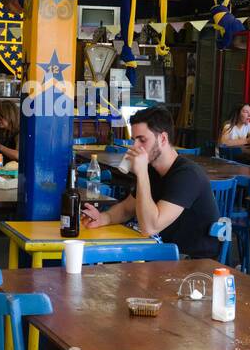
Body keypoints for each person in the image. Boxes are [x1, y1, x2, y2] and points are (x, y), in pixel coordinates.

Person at [80, 105, 219, 258]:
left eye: (142, 140)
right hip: (163, 256)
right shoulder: (153, 170)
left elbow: (150, 227)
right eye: (134, 140)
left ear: (163, 139)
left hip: (193, 266)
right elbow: (127, 209)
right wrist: (103, 218)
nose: (135, 147)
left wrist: (141, 173)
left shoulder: (187, 175)